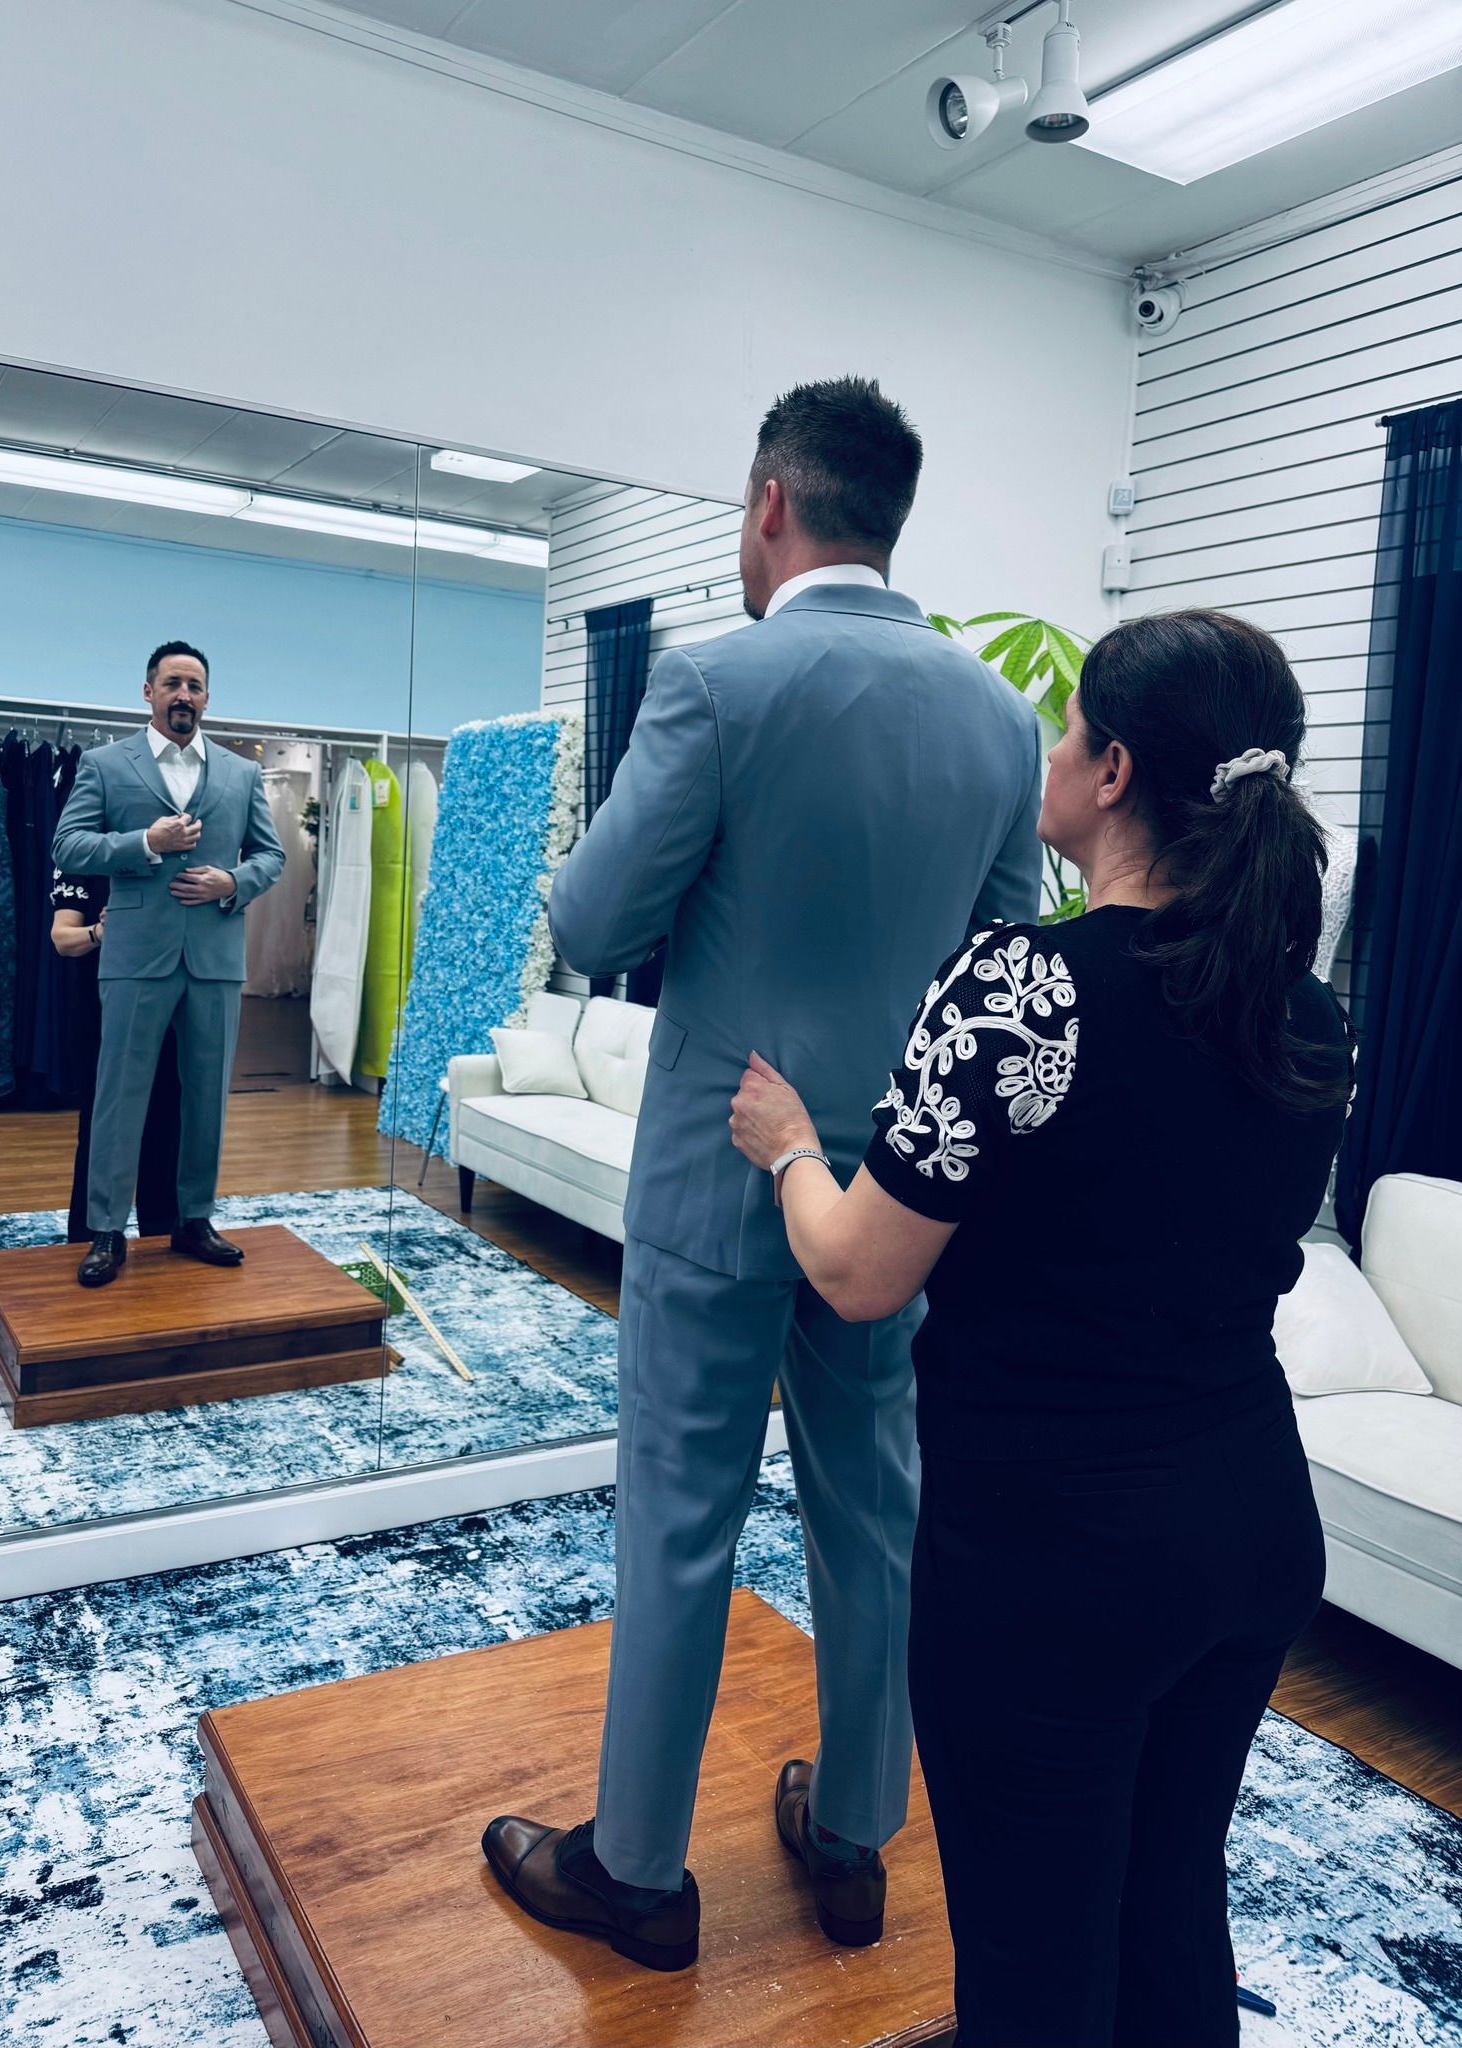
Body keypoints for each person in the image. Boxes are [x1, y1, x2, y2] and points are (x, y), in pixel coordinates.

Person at [729, 608, 1356, 2048]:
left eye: (1069, 729)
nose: (1053, 752)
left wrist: (784, 1150)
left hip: (1051, 1573)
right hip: (1251, 1535)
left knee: (1029, 1959)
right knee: (1166, 1908)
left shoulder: (1024, 988)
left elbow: (856, 1273)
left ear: (1119, 770)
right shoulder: (1307, 1017)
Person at [480, 377, 1045, 1972]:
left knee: (678, 1520)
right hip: (894, 1203)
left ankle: (641, 1873)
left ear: (772, 504)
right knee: (875, 1516)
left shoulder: (715, 687)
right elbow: (1003, 958)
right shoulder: (997, 716)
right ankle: (857, 1838)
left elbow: (591, 924)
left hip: (715, 1180)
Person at [51, 642, 284, 1288]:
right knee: (118, 1097)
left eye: (196, 685)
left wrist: (231, 883)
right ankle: (105, 1230)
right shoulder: (103, 765)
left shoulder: (241, 775)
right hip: (132, 956)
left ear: (207, 698)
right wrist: (144, 843)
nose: (185, 695)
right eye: (173, 683)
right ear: (149, 691)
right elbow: (68, 844)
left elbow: (272, 856)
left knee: (206, 1098)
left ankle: (193, 1220)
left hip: (214, 959)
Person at [50, 871, 181, 1245]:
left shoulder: (167, 856)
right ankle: (92, 1236)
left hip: (168, 996)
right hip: (99, 1006)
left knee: (167, 1117)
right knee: (101, 1122)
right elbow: (62, 938)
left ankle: (163, 1233)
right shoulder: (82, 853)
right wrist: (100, 932)